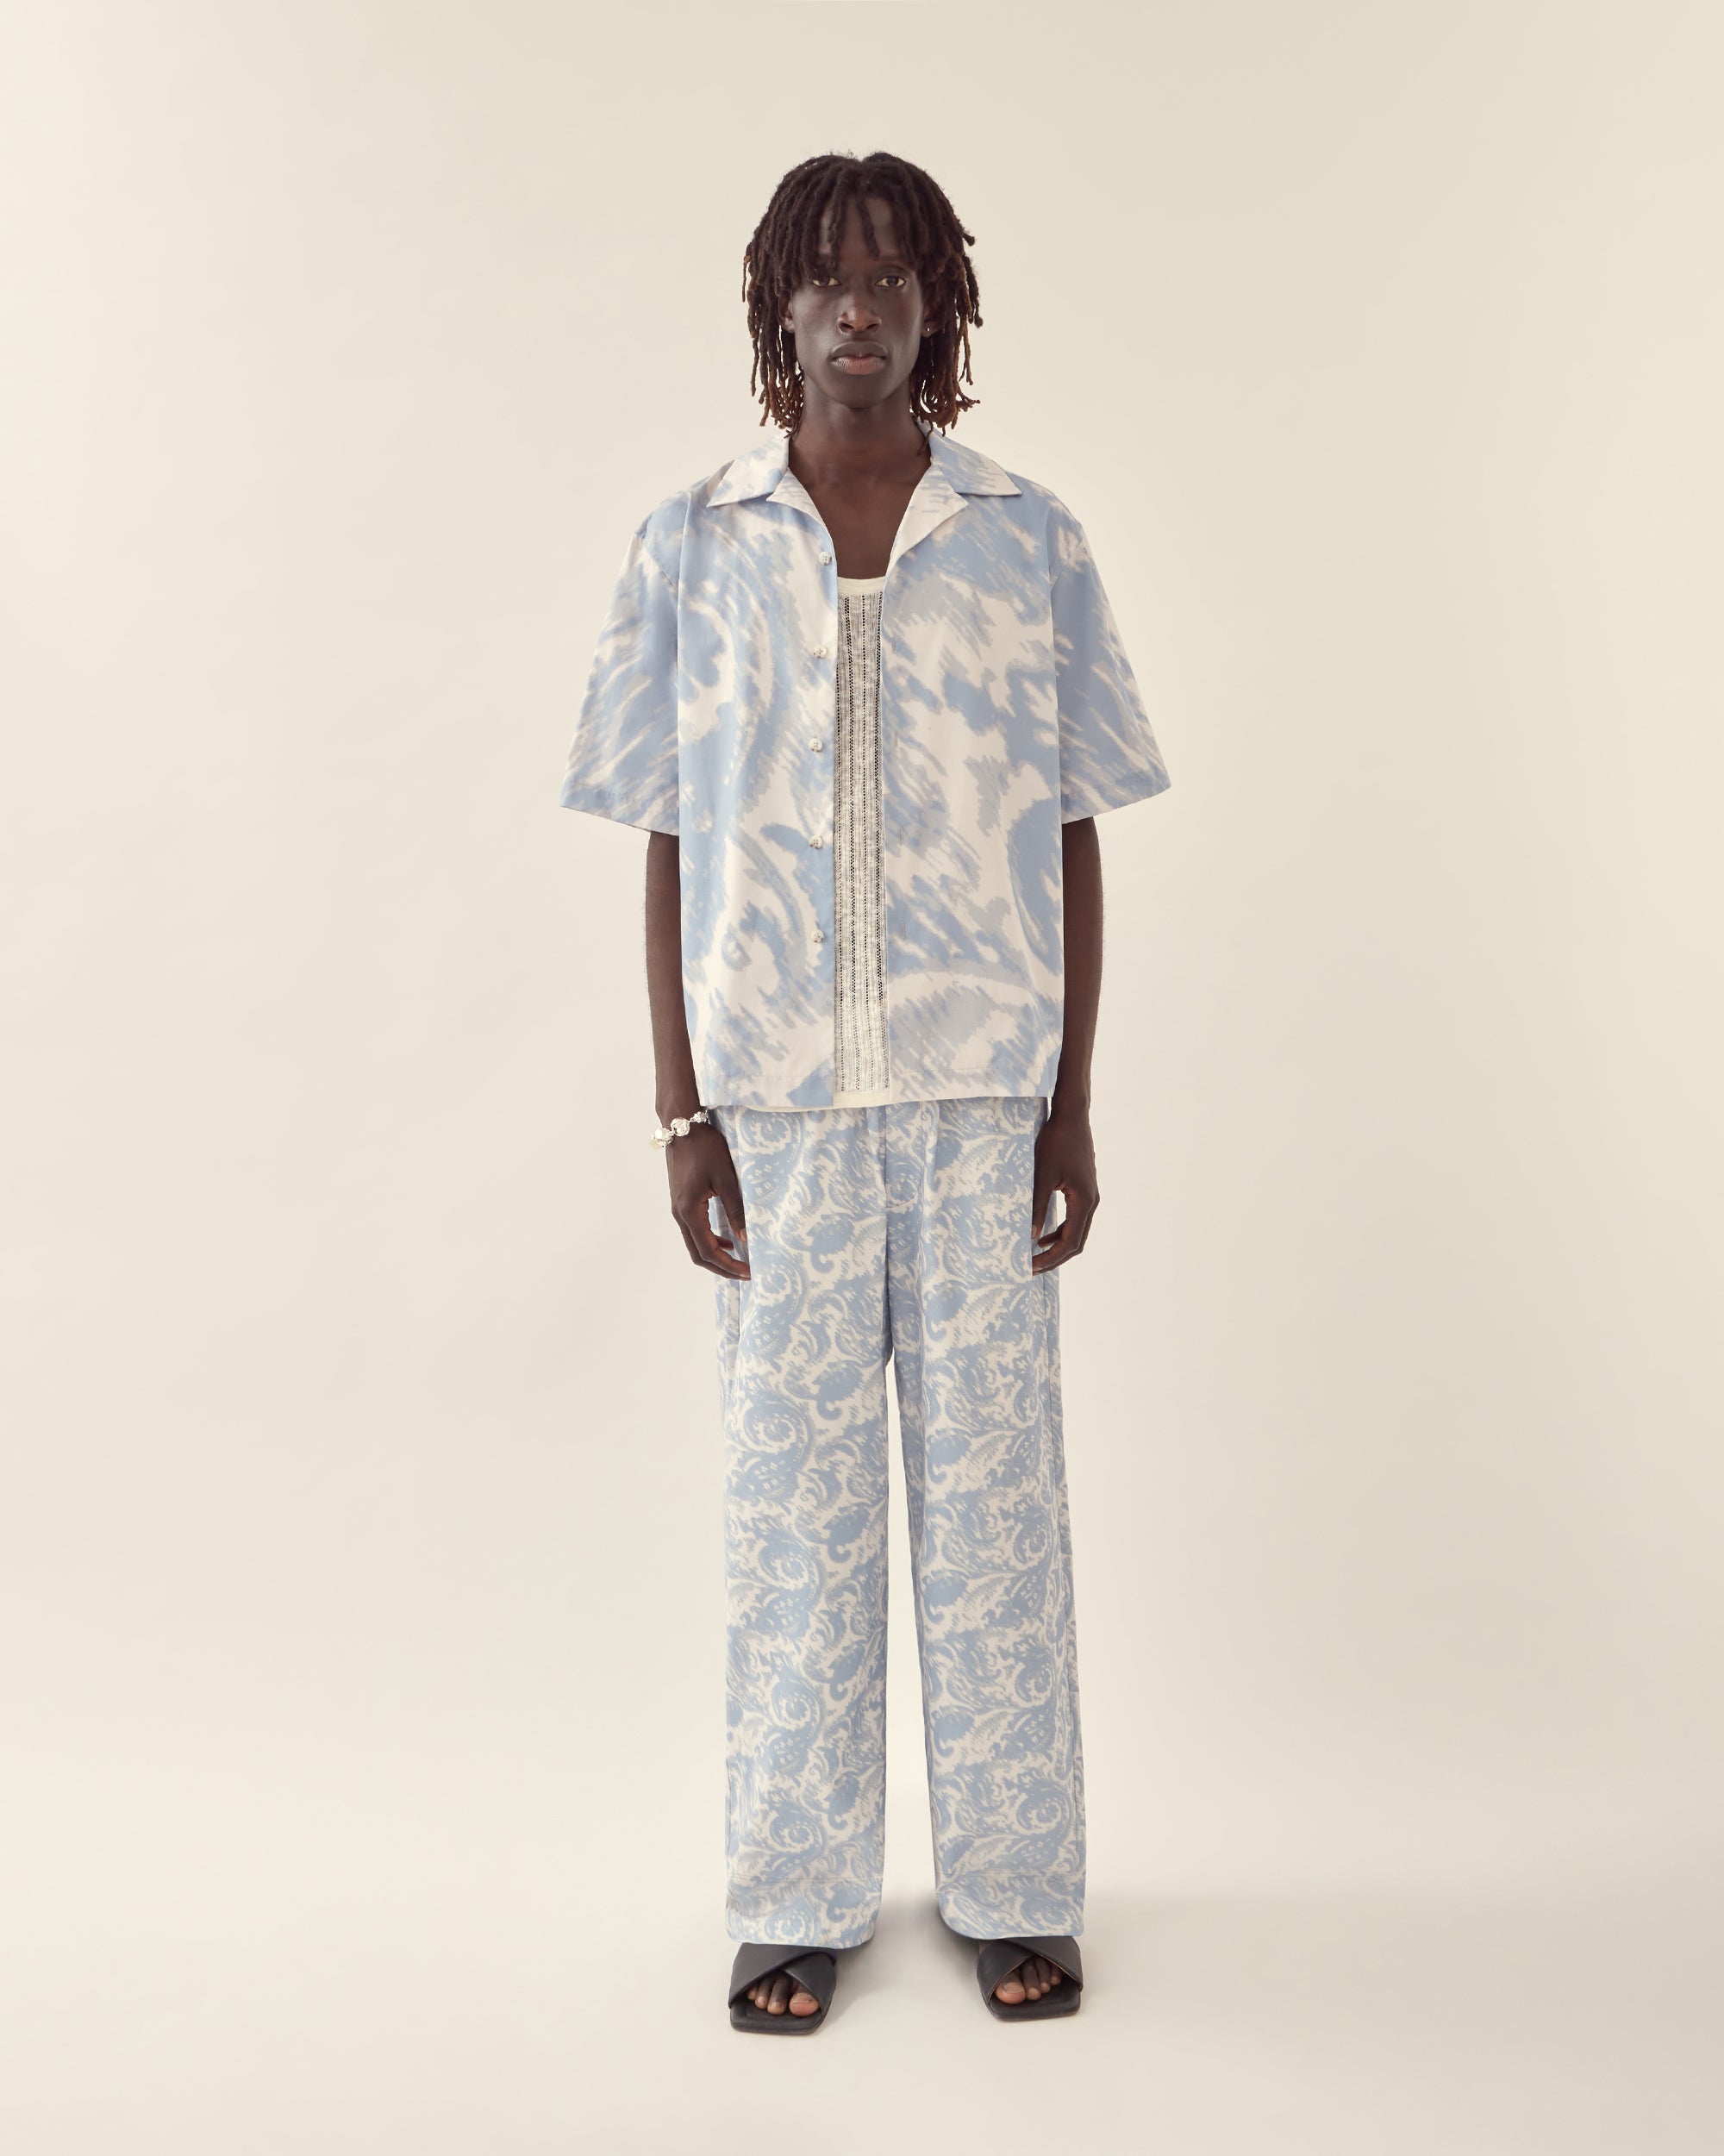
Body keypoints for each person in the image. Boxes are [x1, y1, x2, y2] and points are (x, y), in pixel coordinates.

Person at [559, 150, 1171, 2031]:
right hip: (778, 1113)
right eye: (824, 279)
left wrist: (1070, 1100)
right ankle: (795, 1893)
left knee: (998, 1516)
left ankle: (1016, 1886)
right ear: (778, 307)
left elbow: (1075, 822)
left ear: (937, 310)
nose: (857, 310)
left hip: (983, 1099)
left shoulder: (1027, 537)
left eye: (892, 278)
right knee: (793, 1517)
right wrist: (683, 1113)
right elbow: (667, 832)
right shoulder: (690, 543)